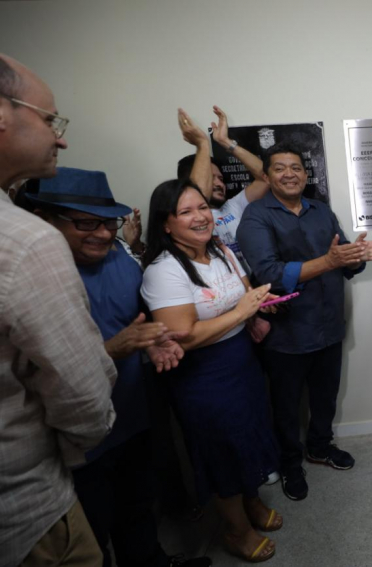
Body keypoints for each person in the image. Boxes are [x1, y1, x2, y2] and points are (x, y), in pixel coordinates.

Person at [30, 167, 210, 567]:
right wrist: (112, 349)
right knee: (92, 530)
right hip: (79, 437)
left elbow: (141, 322)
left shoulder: (122, 262)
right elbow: (39, 367)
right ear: (45, 221)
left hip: (132, 414)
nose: (104, 234)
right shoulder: (34, 278)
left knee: (139, 509)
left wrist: (158, 340)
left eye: (108, 222)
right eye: (86, 223)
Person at [0, 54, 116, 567]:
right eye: (49, 120)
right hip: (30, 513)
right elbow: (83, 396)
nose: (60, 137)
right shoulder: (26, 242)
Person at [237, 142, 372, 500]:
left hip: (329, 326)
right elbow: (268, 274)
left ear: (307, 175)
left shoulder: (321, 210)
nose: (289, 174)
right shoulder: (256, 216)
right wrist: (332, 261)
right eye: (280, 168)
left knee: (325, 399)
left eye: (296, 168)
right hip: (286, 335)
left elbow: (346, 257)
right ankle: (290, 462)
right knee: (287, 407)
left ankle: (320, 447)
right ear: (267, 175)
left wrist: (356, 257)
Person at [142, 179, 282, 563]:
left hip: (240, 360)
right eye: (186, 211)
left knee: (250, 437)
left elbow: (243, 289)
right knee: (223, 450)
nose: (200, 217)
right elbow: (183, 337)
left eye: (202, 207)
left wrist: (258, 304)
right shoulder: (164, 270)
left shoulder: (219, 250)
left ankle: (251, 504)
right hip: (202, 375)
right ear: (166, 224)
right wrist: (241, 312)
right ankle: (236, 530)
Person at [177, 106, 269, 272]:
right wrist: (202, 145)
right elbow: (197, 196)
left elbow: (265, 178)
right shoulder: (184, 219)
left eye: (221, 178)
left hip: (249, 285)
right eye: (211, 178)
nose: (219, 184)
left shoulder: (233, 206)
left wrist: (226, 143)